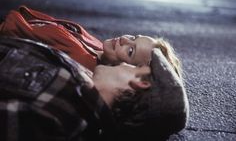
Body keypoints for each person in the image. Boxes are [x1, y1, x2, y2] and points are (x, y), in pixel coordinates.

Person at [0, 37, 189, 141]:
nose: (124, 65)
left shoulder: (66, 117)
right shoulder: (81, 90)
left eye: (136, 68)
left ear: (138, 84)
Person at [0, 6, 181, 79]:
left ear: (126, 71)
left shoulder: (79, 64)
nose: (124, 40)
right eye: (133, 37)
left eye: (130, 51)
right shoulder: (100, 47)